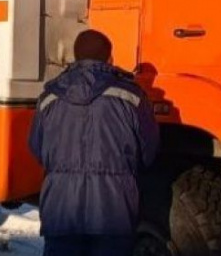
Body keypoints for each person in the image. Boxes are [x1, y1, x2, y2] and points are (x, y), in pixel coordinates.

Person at [28, 29, 160, 256]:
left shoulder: (49, 97)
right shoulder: (132, 97)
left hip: (61, 210)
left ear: (75, 58)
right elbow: (148, 151)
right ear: (109, 59)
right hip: (114, 210)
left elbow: (37, 147)